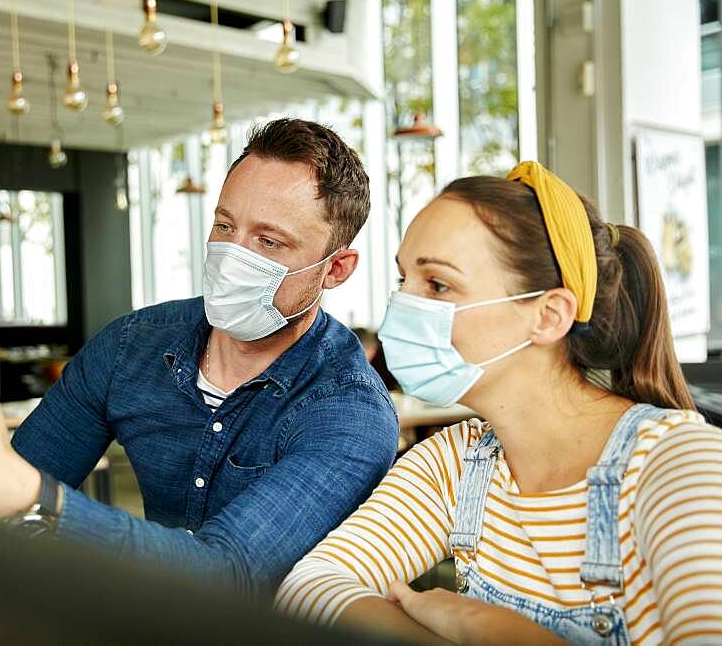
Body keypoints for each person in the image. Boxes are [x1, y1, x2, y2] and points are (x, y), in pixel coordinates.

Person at [0, 118, 399, 598]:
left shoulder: (350, 414)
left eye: (269, 242)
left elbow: (225, 576)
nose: (233, 256)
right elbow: (18, 474)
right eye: (225, 227)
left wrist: (16, 493)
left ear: (335, 269)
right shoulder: (132, 347)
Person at [277, 162, 722, 643]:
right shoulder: (457, 463)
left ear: (549, 316)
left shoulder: (679, 464)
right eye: (405, 280)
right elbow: (309, 588)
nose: (403, 305)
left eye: (438, 285)